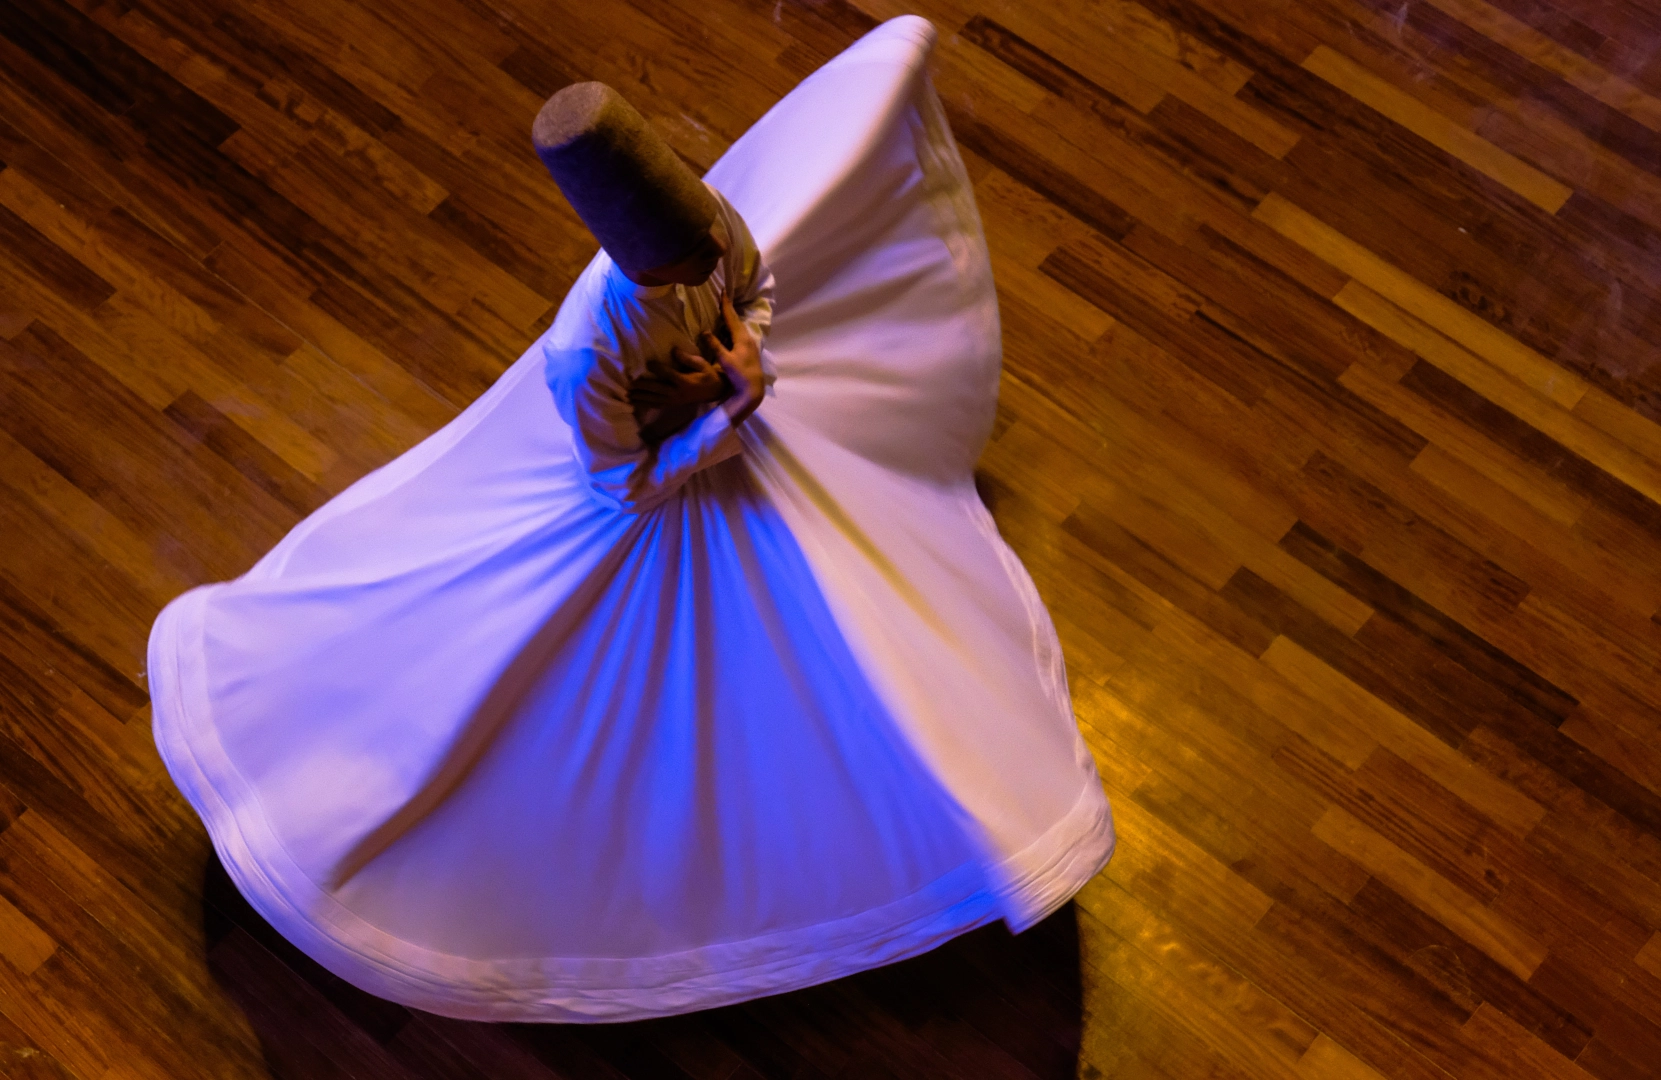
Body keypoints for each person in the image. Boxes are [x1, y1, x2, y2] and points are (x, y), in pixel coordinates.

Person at [148, 16, 1114, 1023]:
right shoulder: (588, 352)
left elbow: (756, 284)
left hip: (729, 435)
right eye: (689, 260)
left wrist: (746, 353)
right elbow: (622, 487)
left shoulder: (707, 229)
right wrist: (726, 415)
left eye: (707, 242)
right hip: (654, 498)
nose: (710, 257)